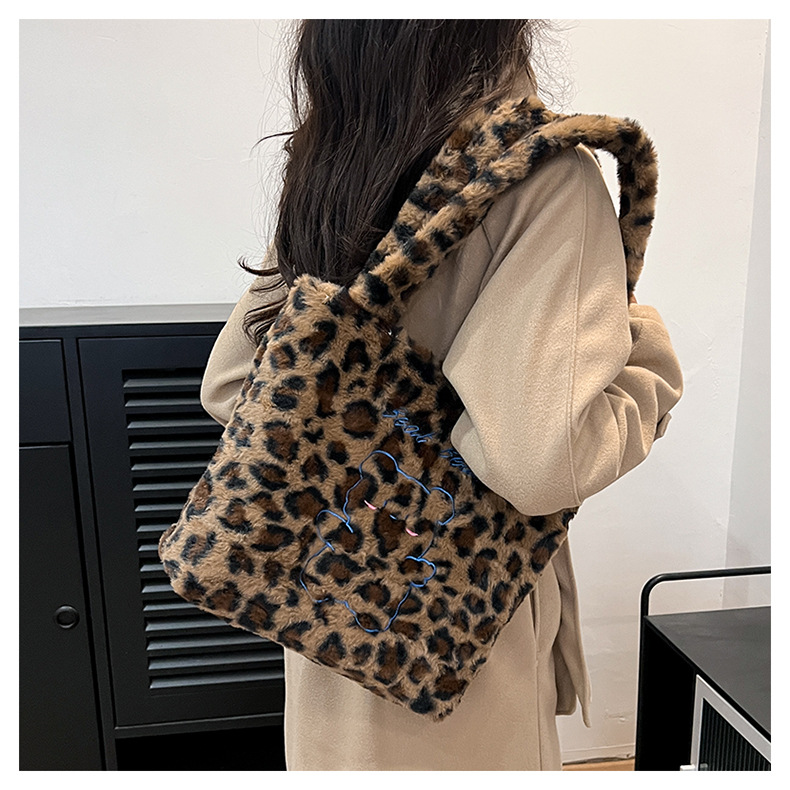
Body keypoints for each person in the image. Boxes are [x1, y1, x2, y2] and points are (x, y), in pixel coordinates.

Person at [199, 20, 683, 771]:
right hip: (451, 628)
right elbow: (535, 463)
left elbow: (232, 385)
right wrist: (645, 360)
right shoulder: (541, 175)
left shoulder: (337, 165)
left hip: (324, 614)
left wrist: (367, 459)